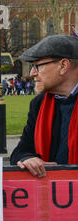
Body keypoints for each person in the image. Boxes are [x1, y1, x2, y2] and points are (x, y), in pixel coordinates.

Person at [10, 35, 78, 178]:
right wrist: (27, 159)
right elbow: (20, 151)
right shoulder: (38, 104)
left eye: (37, 66)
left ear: (63, 66)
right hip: (55, 195)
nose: (32, 74)